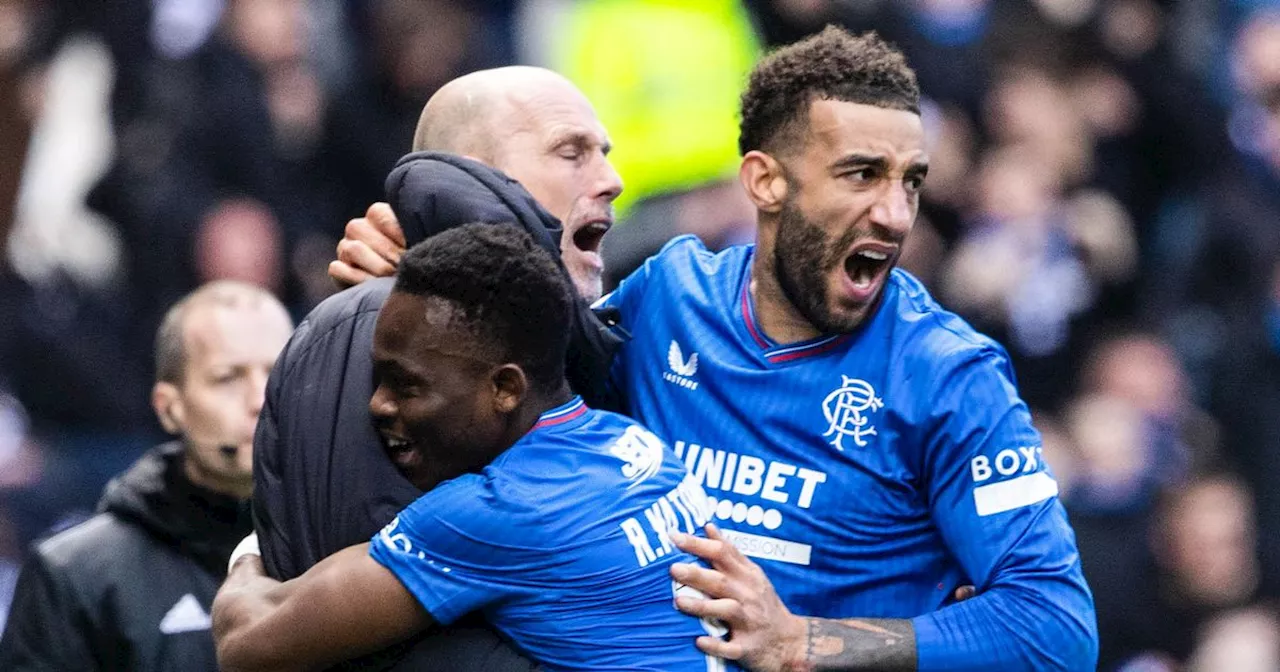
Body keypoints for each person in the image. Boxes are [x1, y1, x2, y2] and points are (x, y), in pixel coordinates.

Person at [338, 27, 1098, 671]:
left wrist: (802, 641)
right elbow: (518, 384)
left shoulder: (947, 376)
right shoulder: (670, 296)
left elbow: (1057, 624)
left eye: (912, 181)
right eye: (861, 175)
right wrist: (415, 279)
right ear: (764, 182)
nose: (896, 213)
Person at [214, 223, 733, 672]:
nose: (376, 405)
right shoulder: (634, 444)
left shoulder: (503, 511)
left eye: (405, 385)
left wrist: (253, 551)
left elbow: (249, 648)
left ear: (505, 389)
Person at [251, 65, 623, 669]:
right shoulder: (370, 330)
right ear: (477, 171)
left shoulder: (570, 340)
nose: (612, 180)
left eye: (603, 153)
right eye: (571, 152)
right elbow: (335, 622)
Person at [0, 281, 293, 671]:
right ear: (170, 408)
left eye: (279, 373)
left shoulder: (345, 544)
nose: (260, 399)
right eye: (228, 377)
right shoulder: (75, 576)